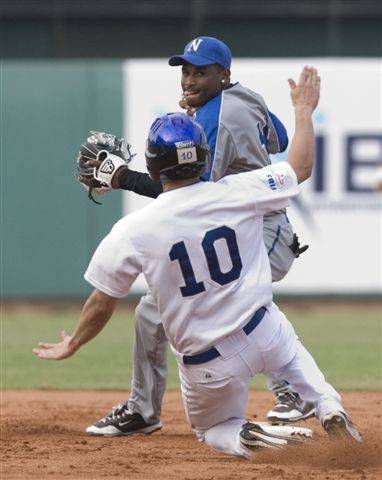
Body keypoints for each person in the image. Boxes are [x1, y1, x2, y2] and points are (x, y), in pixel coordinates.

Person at [34, 67, 363, 458]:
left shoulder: (134, 230)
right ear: (204, 157)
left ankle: (245, 434)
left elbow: (102, 302)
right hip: (262, 331)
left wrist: (73, 342)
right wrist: (305, 110)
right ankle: (328, 406)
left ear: (153, 168)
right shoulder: (240, 191)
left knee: (213, 428)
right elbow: (301, 166)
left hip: (207, 363)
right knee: (290, 351)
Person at [78, 37, 313, 437]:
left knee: (241, 302)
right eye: (186, 70)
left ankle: (295, 389)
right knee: (152, 312)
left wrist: (120, 177)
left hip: (266, 228)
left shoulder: (215, 116)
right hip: (234, 229)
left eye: (200, 71)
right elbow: (279, 139)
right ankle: (143, 411)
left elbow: (184, 193)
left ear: (223, 75)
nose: (189, 78)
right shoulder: (245, 96)